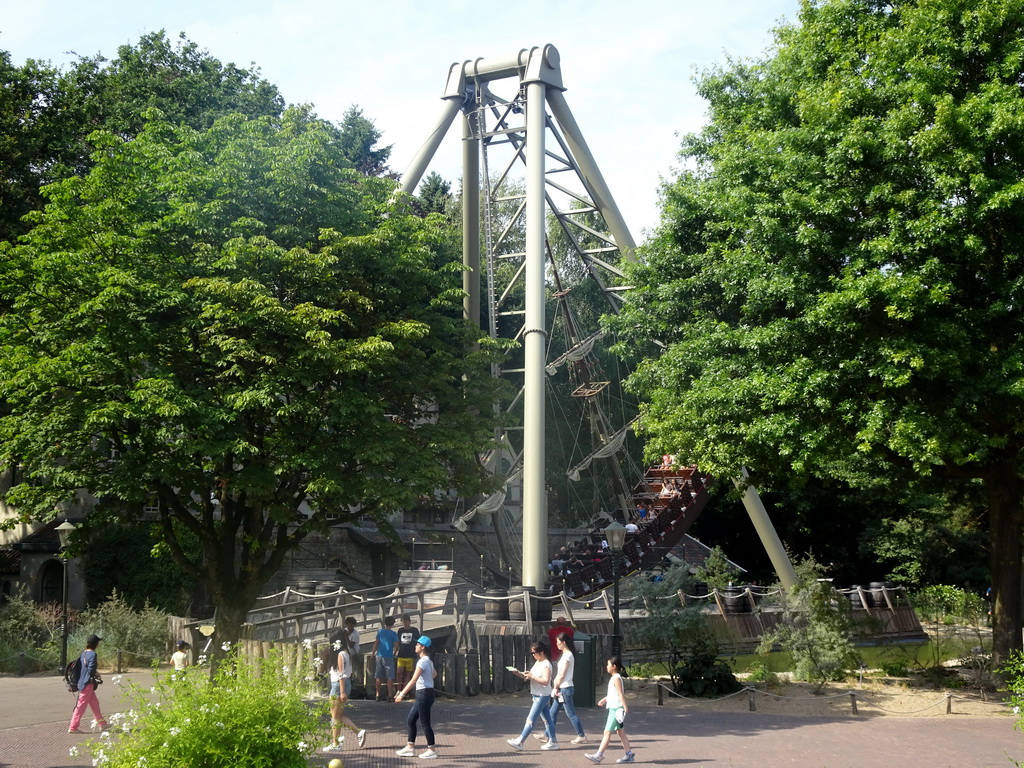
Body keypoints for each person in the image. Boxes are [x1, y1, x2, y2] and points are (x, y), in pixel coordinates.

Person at [506, 641, 557, 751]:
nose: (533, 655)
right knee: (547, 720)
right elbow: (531, 676)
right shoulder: (538, 662)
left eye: (534, 653)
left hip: (542, 695)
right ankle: (553, 741)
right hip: (536, 694)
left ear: (541, 652)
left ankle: (520, 741)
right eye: (532, 653)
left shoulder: (546, 664)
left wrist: (532, 676)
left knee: (530, 719)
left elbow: (546, 681)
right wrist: (520, 674)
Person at [394, 635, 438, 759]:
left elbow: (413, 680)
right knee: (411, 720)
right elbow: (435, 674)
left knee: (425, 723)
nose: (415, 646)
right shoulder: (428, 661)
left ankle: (432, 750)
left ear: (423, 647)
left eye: (417, 644)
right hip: (426, 693)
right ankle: (410, 747)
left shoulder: (422, 661)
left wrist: (401, 694)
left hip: (423, 694)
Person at [585, 656, 634, 764]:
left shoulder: (616, 678)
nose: (607, 667)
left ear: (614, 666)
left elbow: (620, 694)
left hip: (616, 710)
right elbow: (613, 694)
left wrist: (625, 707)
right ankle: (629, 754)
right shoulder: (614, 677)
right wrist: (604, 700)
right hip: (615, 708)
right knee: (621, 732)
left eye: (608, 665)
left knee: (607, 732)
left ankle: (599, 755)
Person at [322, 638, 367, 752]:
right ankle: (358, 732)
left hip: (338, 685)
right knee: (337, 714)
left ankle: (335, 743)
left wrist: (342, 691)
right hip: (345, 683)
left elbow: (341, 673)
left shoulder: (340, 655)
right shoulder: (346, 653)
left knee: (335, 717)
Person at [550, 632, 587, 745]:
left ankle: (581, 735)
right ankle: (547, 734)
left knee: (570, 713)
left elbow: (562, 674)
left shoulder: (567, 655)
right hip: (563, 688)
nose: (557, 644)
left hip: (564, 688)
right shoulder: (565, 655)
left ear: (564, 642)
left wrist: (555, 687)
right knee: (552, 712)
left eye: (558, 642)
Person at [68, 634, 108, 733]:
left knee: (95, 703)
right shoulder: (93, 654)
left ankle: (102, 724)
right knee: (81, 705)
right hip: (88, 683)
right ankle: (73, 727)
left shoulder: (84, 653)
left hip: (82, 682)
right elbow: (91, 670)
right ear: (96, 644)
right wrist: (98, 674)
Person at [371, 615, 399, 701]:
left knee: (378, 676)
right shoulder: (393, 634)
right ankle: (390, 696)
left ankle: (377, 694)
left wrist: (372, 654)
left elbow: (376, 643)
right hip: (388, 656)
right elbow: (396, 645)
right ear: (393, 624)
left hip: (379, 655)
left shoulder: (380, 632)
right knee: (390, 676)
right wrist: (394, 652)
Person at [395, 614, 420, 689]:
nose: (405, 624)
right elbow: (398, 642)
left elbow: (418, 641)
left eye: (406, 622)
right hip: (401, 654)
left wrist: (418, 652)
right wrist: (395, 651)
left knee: (408, 673)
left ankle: (405, 690)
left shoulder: (414, 630)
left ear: (409, 622)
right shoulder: (400, 630)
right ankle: (399, 689)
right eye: (403, 622)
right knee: (399, 672)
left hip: (410, 654)